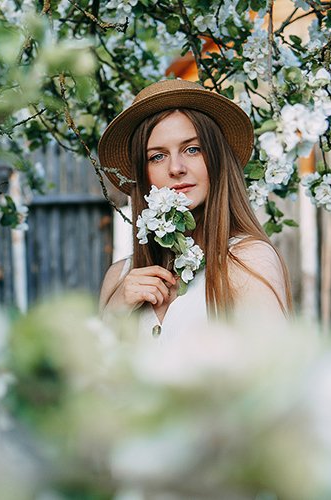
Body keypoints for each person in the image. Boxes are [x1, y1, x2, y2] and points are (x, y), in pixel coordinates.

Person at [97, 79, 292, 339]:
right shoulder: (119, 277)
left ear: (216, 160)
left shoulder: (247, 261)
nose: (176, 168)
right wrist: (115, 311)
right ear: (143, 174)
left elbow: (276, 374)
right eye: (157, 156)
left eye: (192, 149)